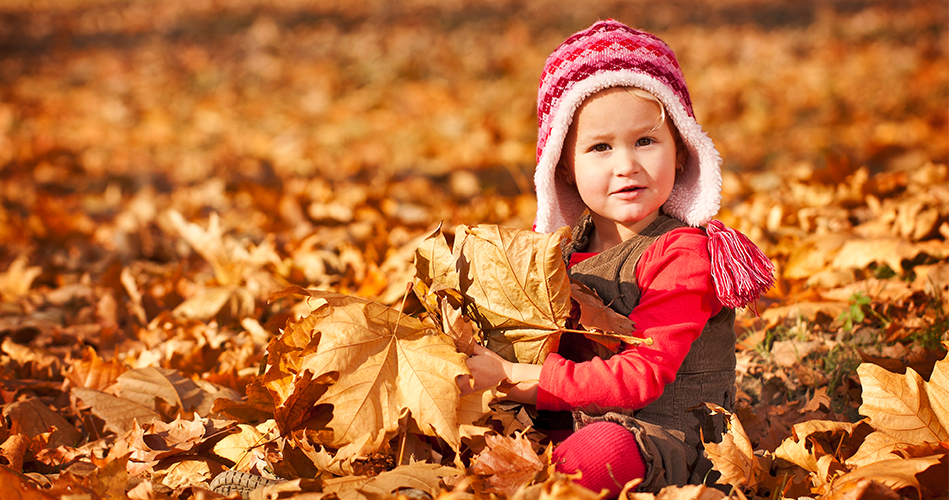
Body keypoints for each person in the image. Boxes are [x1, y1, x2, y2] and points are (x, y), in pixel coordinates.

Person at [461, 20, 774, 497]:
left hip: (664, 440)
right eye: (600, 147)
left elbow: (640, 378)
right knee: (492, 442)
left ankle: (541, 485)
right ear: (563, 164)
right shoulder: (561, 252)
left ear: (682, 148)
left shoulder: (681, 253)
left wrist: (511, 378)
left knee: (600, 449)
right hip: (567, 414)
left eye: (645, 141)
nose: (626, 164)